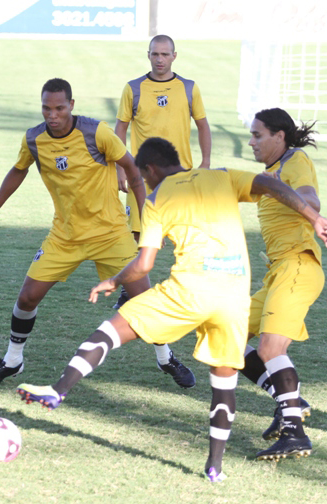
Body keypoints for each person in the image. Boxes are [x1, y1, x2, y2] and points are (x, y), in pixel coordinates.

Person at [16, 137, 327, 482]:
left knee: (112, 330)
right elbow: (269, 184)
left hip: (188, 291)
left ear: (150, 169)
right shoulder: (221, 176)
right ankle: (215, 467)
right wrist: (313, 216)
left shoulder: (157, 197)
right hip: (233, 296)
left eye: (143, 174)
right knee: (223, 383)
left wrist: (113, 281)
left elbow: (143, 264)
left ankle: (58, 390)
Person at [0, 79, 194, 389]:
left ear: (71, 105)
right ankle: (13, 360)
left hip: (110, 234)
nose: (52, 115)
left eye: (59, 108)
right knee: (27, 298)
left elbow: (132, 171)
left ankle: (166, 358)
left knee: (144, 301)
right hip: (64, 236)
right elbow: (19, 170)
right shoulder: (34, 140)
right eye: (46, 108)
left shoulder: (97, 133)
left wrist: (148, 217)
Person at [237, 108, 323, 460]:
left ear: (279, 136)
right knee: (224, 335)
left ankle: (295, 433)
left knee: (271, 349)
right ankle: (290, 399)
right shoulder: (269, 173)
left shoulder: (294, 160)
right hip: (277, 272)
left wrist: (312, 214)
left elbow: (311, 198)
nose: (252, 141)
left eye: (258, 135)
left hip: (298, 267)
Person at [112, 34, 212, 308]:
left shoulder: (189, 88)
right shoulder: (133, 88)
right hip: (141, 175)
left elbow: (203, 125)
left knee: (188, 231)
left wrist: (205, 162)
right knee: (138, 233)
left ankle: (192, 286)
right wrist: (121, 168)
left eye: (165, 54)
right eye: (155, 54)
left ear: (174, 56)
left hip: (180, 176)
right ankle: (130, 291)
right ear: (148, 55)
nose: (160, 59)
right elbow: (119, 128)